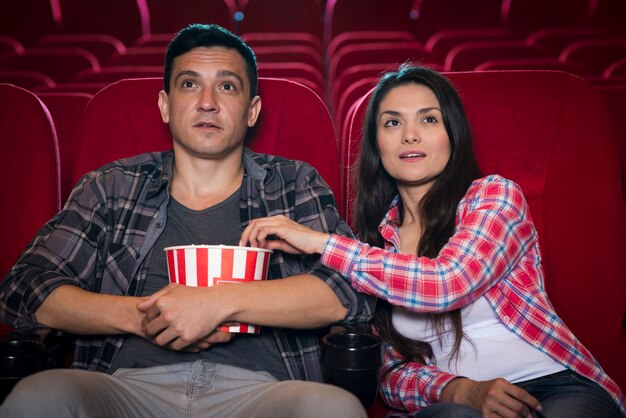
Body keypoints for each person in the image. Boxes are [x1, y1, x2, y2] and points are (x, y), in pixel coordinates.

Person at [0, 24, 375, 418]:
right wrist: (142, 317)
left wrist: (217, 303)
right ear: (165, 105)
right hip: (127, 388)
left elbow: (349, 289)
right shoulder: (111, 186)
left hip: (263, 391)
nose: (208, 103)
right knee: (39, 395)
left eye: (227, 87)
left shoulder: (294, 183)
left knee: (336, 408)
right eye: (190, 85)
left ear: (252, 110)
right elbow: (25, 287)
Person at [240, 64, 626, 417]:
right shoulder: (373, 247)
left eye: (428, 119)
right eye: (392, 123)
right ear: (377, 145)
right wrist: (457, 390)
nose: (410, 135)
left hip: (554, 386)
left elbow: (447, 283)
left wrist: (322, 244)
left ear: (451, 135)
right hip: (456, 405)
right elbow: (389, 373)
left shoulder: (494, 197)